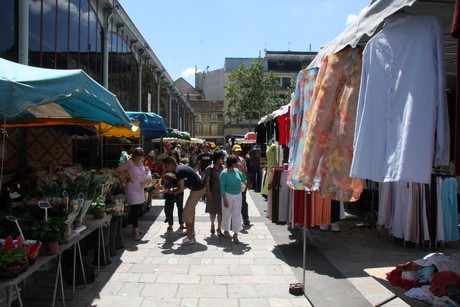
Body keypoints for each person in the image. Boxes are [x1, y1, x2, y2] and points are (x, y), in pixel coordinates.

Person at [163, 157, 206, 245]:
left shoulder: (178, 171)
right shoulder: (181, 168)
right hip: (198, 189)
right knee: (191, 211)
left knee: (186, 213)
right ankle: (191, 232)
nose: (166, 169)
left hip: (198, 190)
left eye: (166, 167)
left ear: (171, 165)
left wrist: (170, 191)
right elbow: (185, 184)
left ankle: (190, 238)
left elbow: (181, 189)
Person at [117, 147, 148, 241]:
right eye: (137, 157)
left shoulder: (142, 160)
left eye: (140, 157)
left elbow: (142, 170)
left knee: (137, 209)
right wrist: (128, 176)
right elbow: (119, 169)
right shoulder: (129, 162)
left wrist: (146, 170)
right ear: (134, 155)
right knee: (134, 209)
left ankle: (135, 228)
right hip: (131, 189)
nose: (139, 159)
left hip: (140, 187)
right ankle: (136, 232)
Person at [220, 155, 246, 244]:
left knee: (237, 214)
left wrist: (242, 170)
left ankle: (235, 233)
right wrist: (224, 199)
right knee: (226, 214)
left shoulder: (237, 171)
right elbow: (222, 187)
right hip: (228, 195)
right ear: (232, 163)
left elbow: (243, 179)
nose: (238, 163)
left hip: (238, 195)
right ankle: (226, 230)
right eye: (236, 162)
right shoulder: (224, 173)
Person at [205, 150, 225, 236]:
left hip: (222, 192)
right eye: (222, 158)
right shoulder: (209, 168)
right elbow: (207, 180)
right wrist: (208, 191)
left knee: (221, 211)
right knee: (212, 211)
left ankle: (219, 228)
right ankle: (212, 224)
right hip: (213, 191)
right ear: (217, 159)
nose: (223, 159)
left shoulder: (224, 168)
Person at [232, 144, 251, 226]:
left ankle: (245, 218)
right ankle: (233, 219)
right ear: (233, 151)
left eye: (239, 151)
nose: (238, 153)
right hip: (232, 183)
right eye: (236, 151)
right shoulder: (229, 160)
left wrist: (248, 181)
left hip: (242, 183)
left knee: (243, 201)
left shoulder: (242, 160)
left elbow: (246, 171)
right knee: (233, 202)